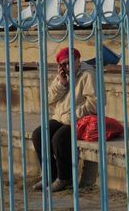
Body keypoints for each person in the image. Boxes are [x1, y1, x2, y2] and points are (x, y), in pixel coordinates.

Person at [31, 47, 100, 193]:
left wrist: (74, 115)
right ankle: (49, 174)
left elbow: (94, 102)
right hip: (62, 117)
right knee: (38, 135)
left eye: (68, 63)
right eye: (62, 64)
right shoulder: (63, 75)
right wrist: (60, 84)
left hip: (81, 119)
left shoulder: (88, 74)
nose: (66, 67)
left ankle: (65, 177)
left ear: (77, 60)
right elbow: (47, 99)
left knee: (59, 139)